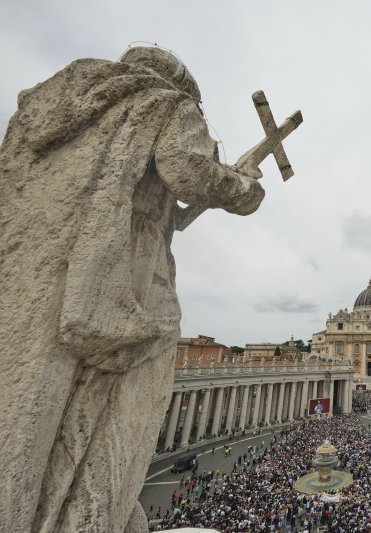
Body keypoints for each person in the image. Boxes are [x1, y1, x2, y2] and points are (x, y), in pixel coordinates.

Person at [0, 46, 265, 532]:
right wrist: (244, 186)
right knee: (124, 409)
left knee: (28, 423)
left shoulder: (57, 107)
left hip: (40, 277)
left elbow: (173, 213)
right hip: (129, 274)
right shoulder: (164, 103)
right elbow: (186, 170)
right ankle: (93, 513)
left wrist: (222, 182)